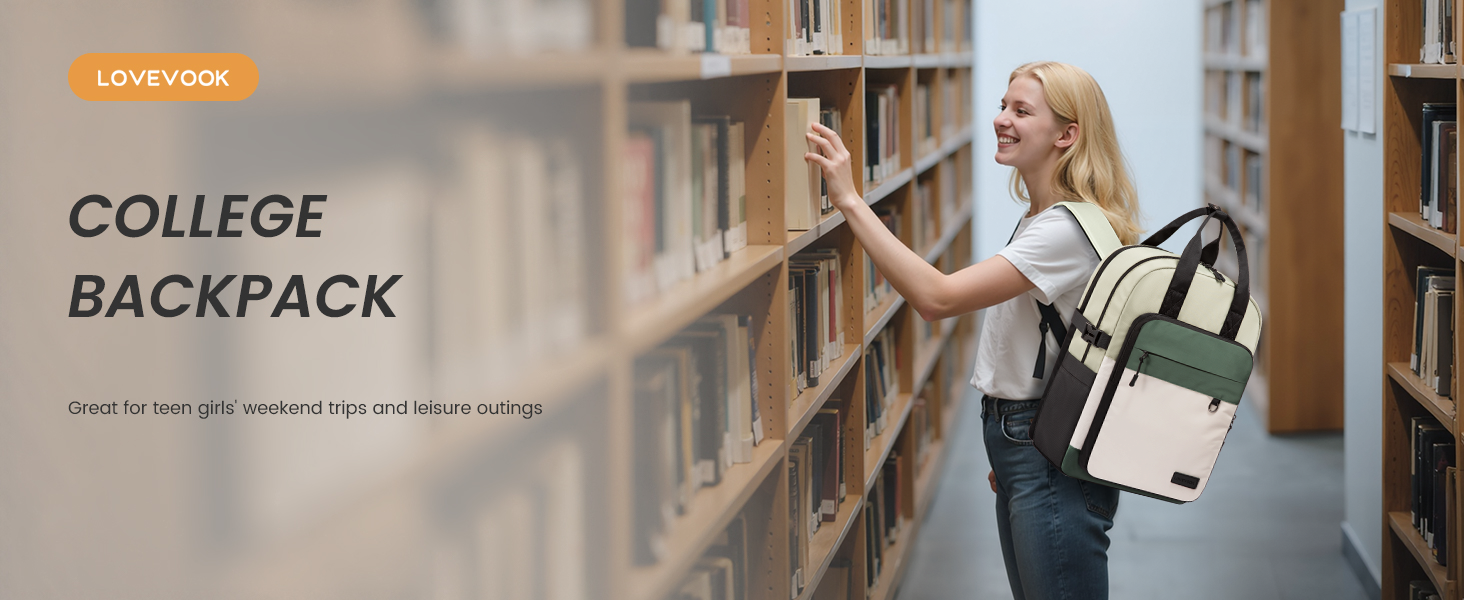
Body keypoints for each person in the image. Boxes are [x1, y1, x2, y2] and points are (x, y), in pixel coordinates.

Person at [803, 61, 1143, 600]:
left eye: (1022, 111)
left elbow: (937, 299)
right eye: (1004, 105)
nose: (1001, 119)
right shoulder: (1046, 217)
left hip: (1043, 451)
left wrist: (849, 199)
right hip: (1029, 443)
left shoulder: (1063, 230)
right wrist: (1009, 455)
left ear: (1067, 135)